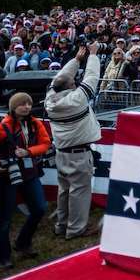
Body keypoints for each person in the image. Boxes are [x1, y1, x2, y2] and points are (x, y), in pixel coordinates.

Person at [0, 92, 52, 269]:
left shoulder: (36, 123)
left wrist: (29, 152)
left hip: (29, 174)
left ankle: (22, 243)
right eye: (22, 104)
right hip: (6, 178)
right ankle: (1, 258)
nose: (27, 106)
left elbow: (46, 144)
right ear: (13, 107)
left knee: (39, 208)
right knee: (4, 219)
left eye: (29, 103)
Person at [44, 42, 103, 239]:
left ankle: (62, 225)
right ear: (70, 87)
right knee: (79, 191)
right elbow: (92, 77)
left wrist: (77, 60)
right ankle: (76, 229)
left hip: (62, 152)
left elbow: (58, 78)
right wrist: (92, 55)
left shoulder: (50, 98)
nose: (75, 82)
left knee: (65, 190)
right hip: (78, 154)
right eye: (72, 82)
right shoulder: (76, 99)